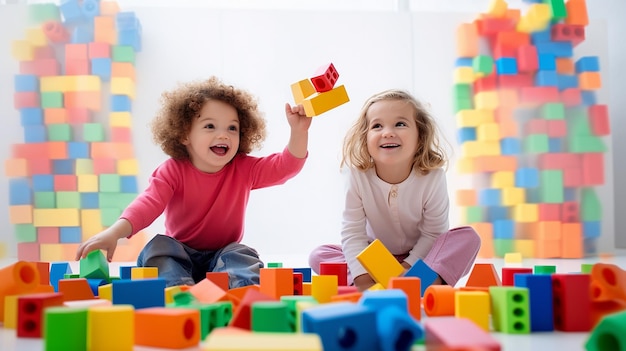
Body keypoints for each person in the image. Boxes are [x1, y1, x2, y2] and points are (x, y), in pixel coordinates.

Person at [76, 76, 312, 288]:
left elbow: (285, 167)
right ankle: (179, 291)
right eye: (210, 126)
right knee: (158, 247)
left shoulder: (244, 168)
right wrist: (114, 233)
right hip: (180, 256)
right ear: (184, 134)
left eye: (232, 128)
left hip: (223, 257)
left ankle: (238, 291)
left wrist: (298, 132)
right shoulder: (172, 170)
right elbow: (147, 204)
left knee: (242, 253)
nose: (223, 135)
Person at [309, 89, 480, 291]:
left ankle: (415, 283)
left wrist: (406, 269)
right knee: (320, 254)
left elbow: (433, 233)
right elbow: (352, 233)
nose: (387, 132)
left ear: (420, 136)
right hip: (374, 259)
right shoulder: (357, 176)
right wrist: (363, 278)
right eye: (377, 126)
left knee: (468, 237)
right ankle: (412, 285)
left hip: (420, 259)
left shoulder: (433, 177)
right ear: (365, 137)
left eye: (400, 124)